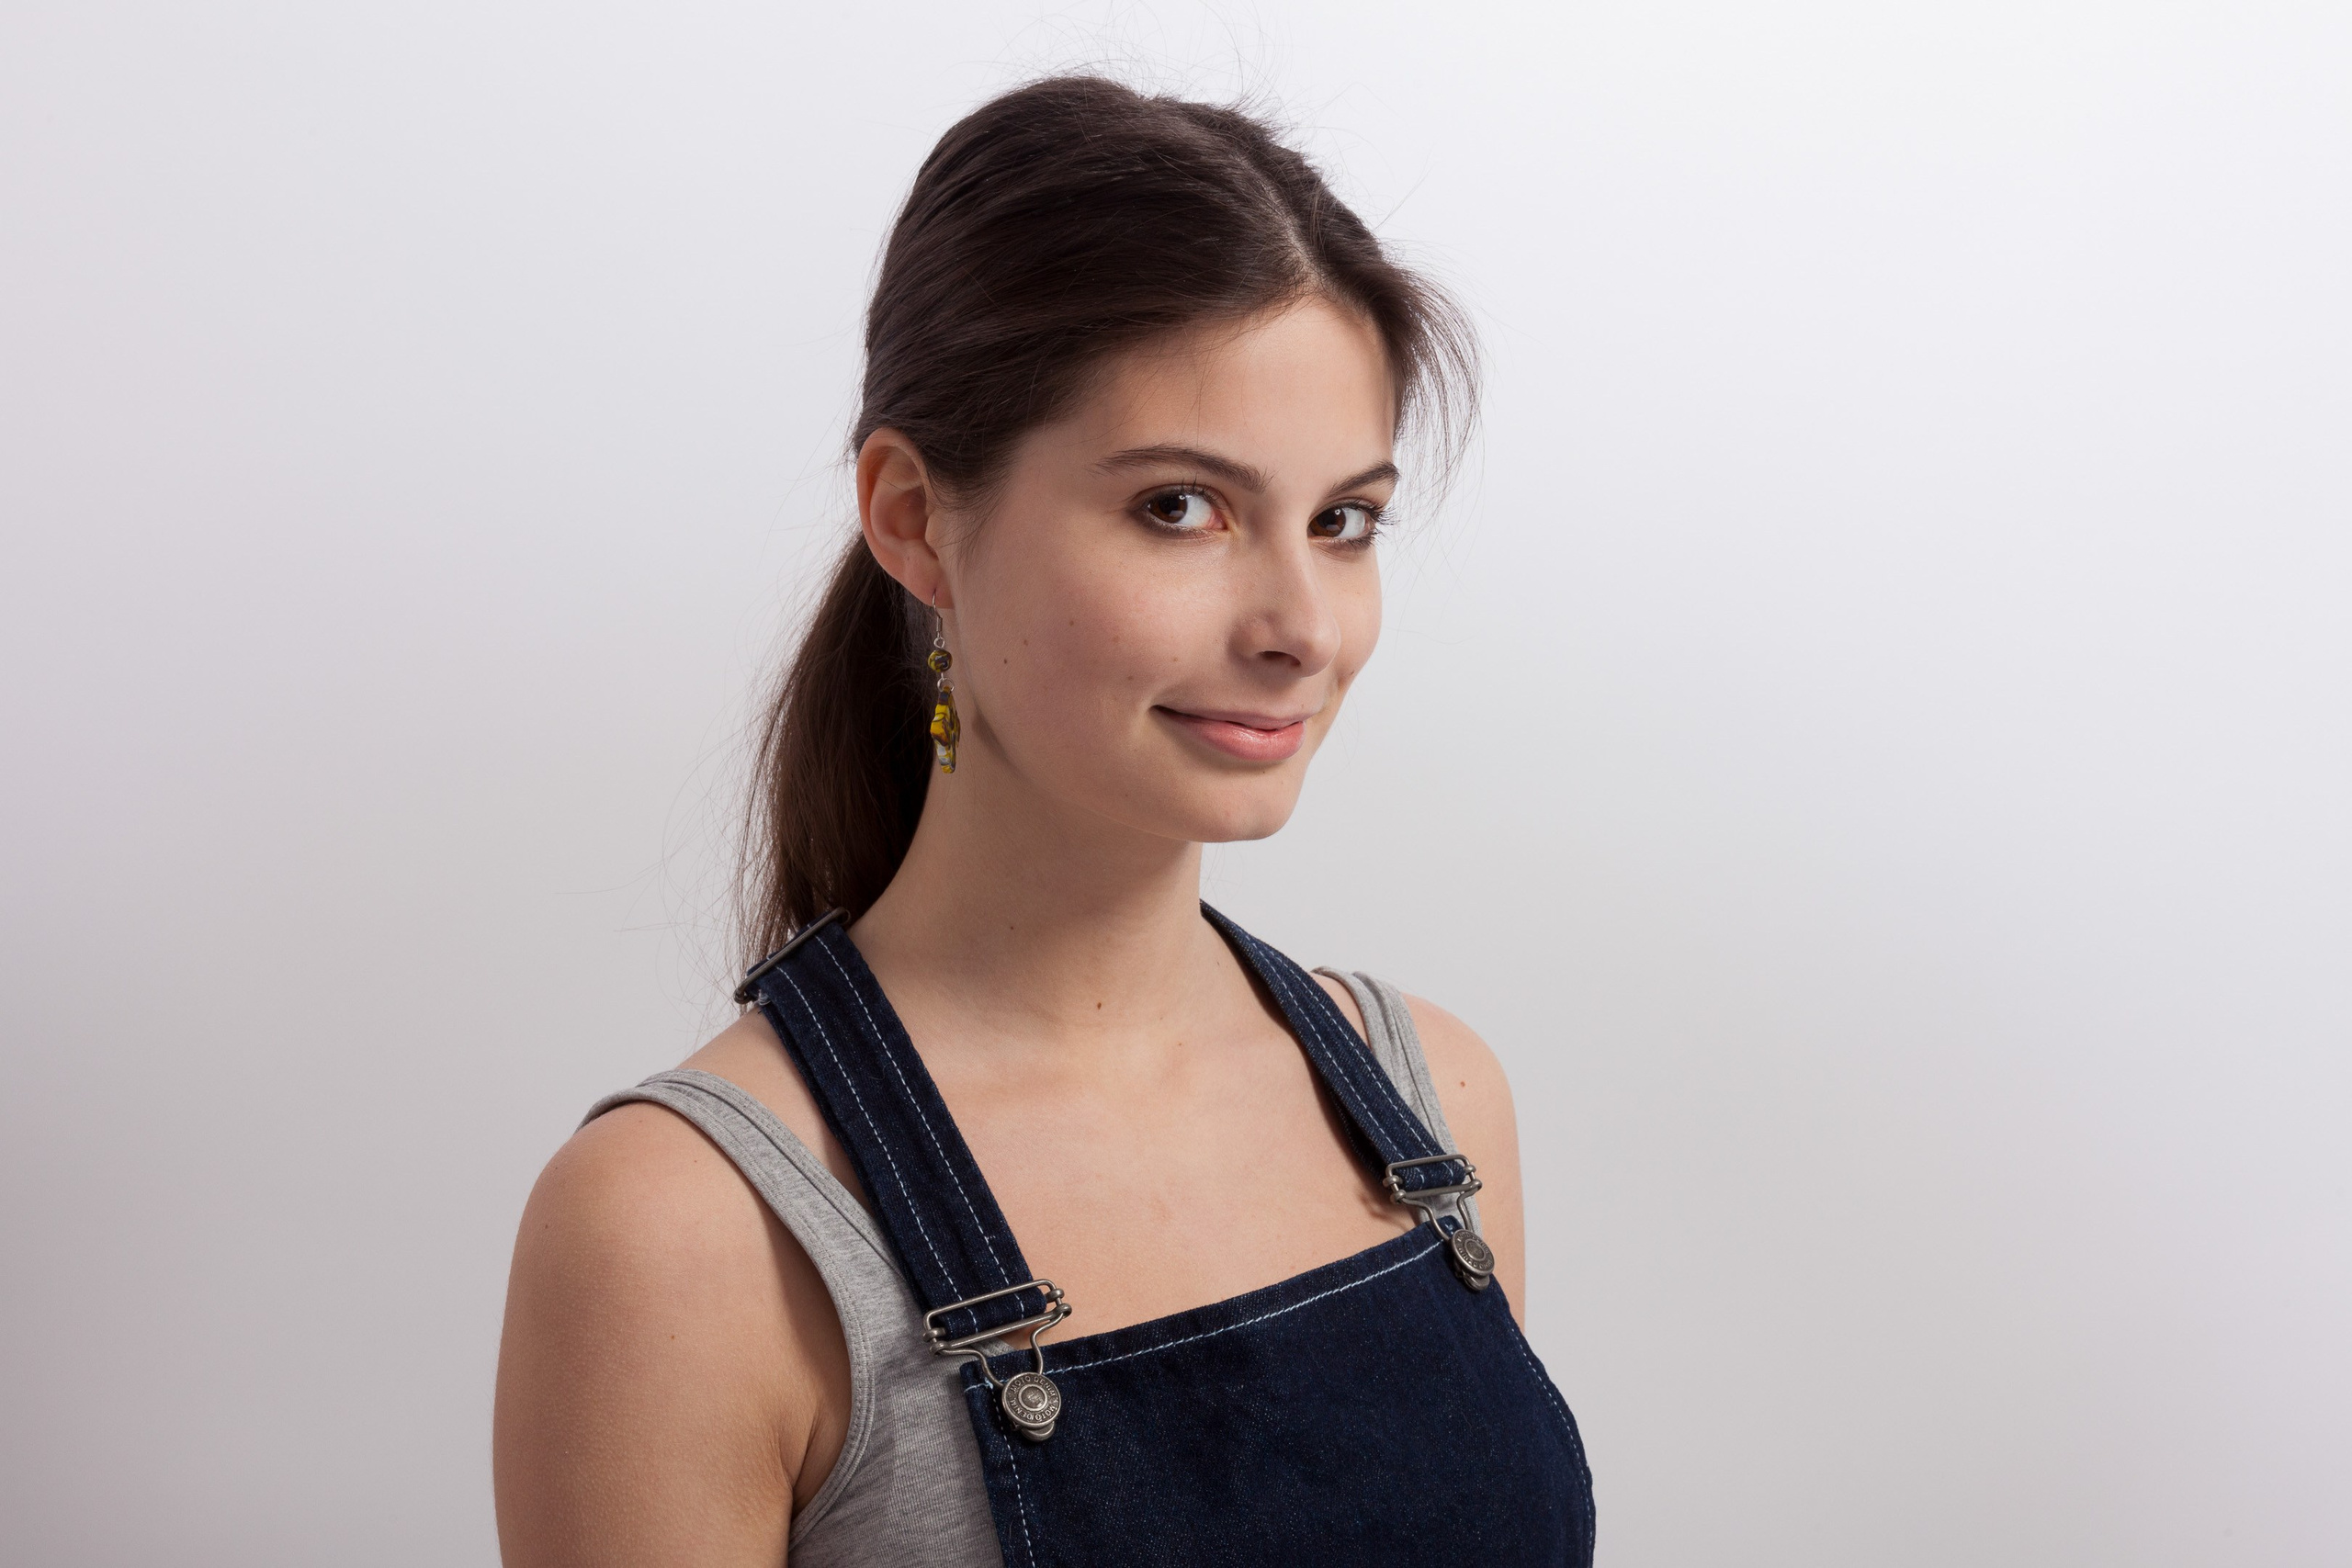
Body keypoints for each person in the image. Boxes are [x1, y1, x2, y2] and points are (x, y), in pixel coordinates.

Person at [492, 74, 1594, 1567]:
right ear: (911, 516)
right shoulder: (684, 1234)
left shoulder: (1435, 1106)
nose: (1299, 627)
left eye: (1343, 521)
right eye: (1180, 508)